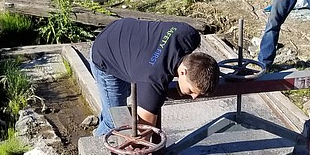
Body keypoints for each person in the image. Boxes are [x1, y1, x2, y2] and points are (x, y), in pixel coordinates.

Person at [90, 18, 221, 137]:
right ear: (183, 72)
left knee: (123, 95)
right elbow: (143, 135)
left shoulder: (189, 34)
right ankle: (94, 154)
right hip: (105, 53)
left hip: (124, 30)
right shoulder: (152, 81)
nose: (193, 97)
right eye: (192, 91)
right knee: (114, 122)